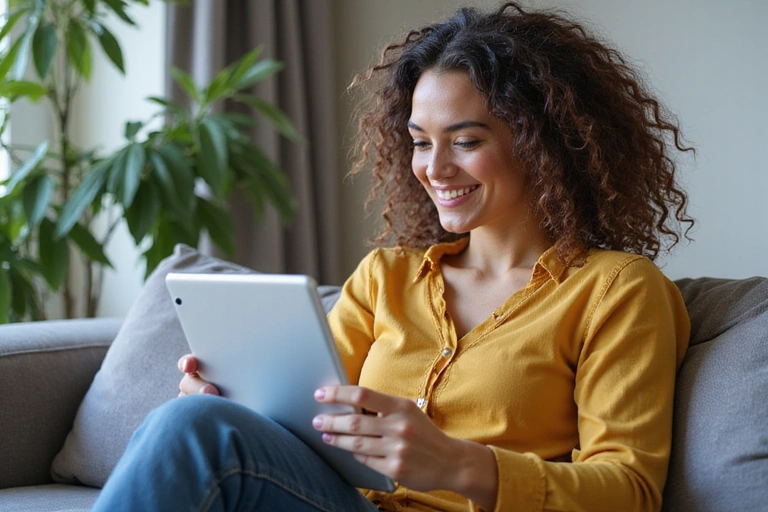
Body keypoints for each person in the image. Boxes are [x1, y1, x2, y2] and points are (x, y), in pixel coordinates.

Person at [93, 2, 694, 511]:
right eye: (420, 142)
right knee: (192, 424)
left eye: (465, 141)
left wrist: (463, 466)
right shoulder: (387, 277)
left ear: (544, 143)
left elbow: (630, 488)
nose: (435, 168)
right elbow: (298, 420)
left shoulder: (618, 291)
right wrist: (228, 403)